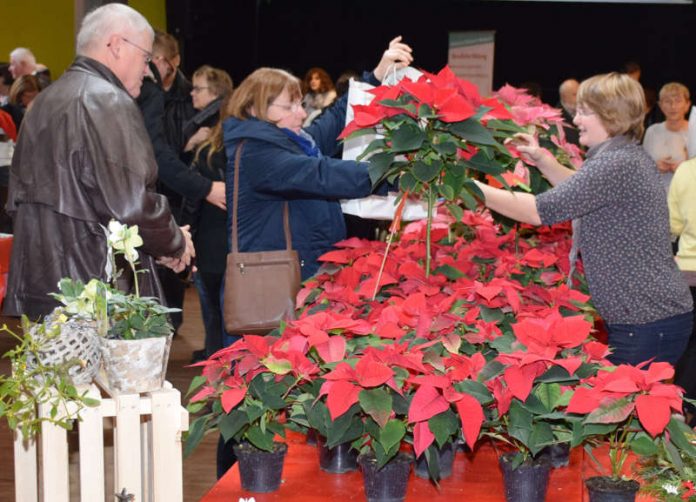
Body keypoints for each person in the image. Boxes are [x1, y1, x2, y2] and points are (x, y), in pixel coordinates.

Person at [217, 36, 413, 477]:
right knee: (250, 403)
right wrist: (394, 172)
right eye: (291, 106)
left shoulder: (290, 140)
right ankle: (235, 484)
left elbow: (330, 129)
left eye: (300, 104)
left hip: (297, 284)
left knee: (275, 402)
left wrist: (375, 76)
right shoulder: (257, 152)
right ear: (258, 109)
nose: (302, 113)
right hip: (270, 294)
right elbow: (320, 173)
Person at [474, 72, 692, 367]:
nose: (575, 120)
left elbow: (539, 211)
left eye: (584, 112)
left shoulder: (617, 163)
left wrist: (472, 188)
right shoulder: (623, 156)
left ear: (610, 115)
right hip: (651, 318)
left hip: (647, 323)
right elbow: (583, 189)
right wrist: (542, 159)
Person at [4, 3, 194, 318]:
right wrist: (176, 242)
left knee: (54, 369)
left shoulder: (45, 102)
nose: (147, 71)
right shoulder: (107, 100)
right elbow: (131, 204)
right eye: (145, 57)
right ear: (117, 45)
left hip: (42, 287)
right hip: (90, 288)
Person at [667, 157, 696, 425]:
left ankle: (684, 410)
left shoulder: (686, 170)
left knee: (689, 344)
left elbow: (673, 225)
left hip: (688, 271)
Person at [150, 31, 195, 154]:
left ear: (176, 60)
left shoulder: (194, 98)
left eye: (161, 60)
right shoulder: (138, 94)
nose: (155, 68)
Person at [642, 82, 691, 193]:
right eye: (668, 102)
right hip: (658, 197)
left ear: (687, 105)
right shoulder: (652, 131)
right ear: (660, 105)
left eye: (678, 101)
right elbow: (643, 168)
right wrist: (655, 167)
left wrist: (686, 169)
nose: (673, 106)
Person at [182, 65, 233, 156]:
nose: (192, 93)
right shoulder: (206, 118)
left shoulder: (217, 123)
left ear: (215, 92)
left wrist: (191, 143)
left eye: (197, 89)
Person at [558, 78, 580, 146]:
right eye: (575, 94)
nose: (580, 98)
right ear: (564, 97)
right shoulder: (556, 119)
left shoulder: (582, 112)